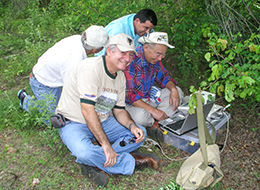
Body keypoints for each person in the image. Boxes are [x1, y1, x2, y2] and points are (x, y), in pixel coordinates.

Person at [54, 33, 160, 187]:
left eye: (130, 55)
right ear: (109, 51)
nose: (127, 58)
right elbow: (87, 110)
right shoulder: (90, 69)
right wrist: (105, 145)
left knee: (140, 135)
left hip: (103, 121)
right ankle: (130, 162)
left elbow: (119, 110)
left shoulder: (120, 76)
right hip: (74, 123)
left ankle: (95, 163)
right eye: (123, 53)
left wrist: (132, 126)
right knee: (84, 151)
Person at [17, 25, 109, 117]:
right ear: (94, 49)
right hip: (43, 82)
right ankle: (26, 102)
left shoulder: (78, 39)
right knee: (54, 119)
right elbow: (71, 90)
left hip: (53, 75)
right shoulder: (72, 61)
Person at [124, 32, 184, 141]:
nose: (160, 58)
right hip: (132, 104)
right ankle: (156, 122)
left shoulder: (154, 59)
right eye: (158, 54)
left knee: (177, 92)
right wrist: (153, 111)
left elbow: (164, 77)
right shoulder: (131, 60)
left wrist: (173, 89)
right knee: (140, 117)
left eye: (163, 55)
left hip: (149, 98)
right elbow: (130, 97)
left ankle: (158, 121)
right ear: (146, 47)